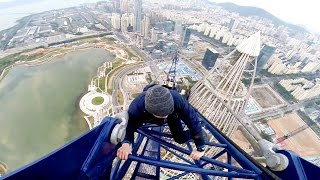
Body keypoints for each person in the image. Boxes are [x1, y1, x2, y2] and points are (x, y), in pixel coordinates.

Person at [117, 84, 206, 161]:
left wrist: (200, 147)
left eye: (167, 114)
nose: (165, 118)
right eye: (162, 116)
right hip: (149, 115)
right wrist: (126, 143)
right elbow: (130, 124)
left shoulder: (178, 100)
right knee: (136, 123)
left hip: (173, 114)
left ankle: (203, 134)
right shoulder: (137, 105)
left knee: (180, 138)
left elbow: (192, 120)